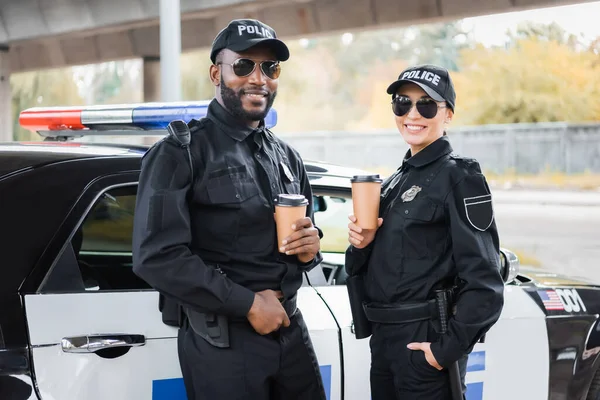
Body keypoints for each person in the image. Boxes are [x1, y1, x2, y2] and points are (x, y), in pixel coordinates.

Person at [132, 19, 327, 400]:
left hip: (291, 329)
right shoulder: (179, 154)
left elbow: (306, 242)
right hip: (223, 341)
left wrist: (310, 247)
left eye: (270, 68)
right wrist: (248, 303)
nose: (259, 79)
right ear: (215, 73)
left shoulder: (287, 156)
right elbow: (157, 256)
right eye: (243, 66)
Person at [345, 64, 505, 400]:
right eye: (403, 103)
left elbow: (486, 282)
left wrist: (445, 351)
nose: (412, 114)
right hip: (385, 344)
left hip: (425, 344)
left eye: (427, 105)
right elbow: (363, 268)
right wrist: (360, 244)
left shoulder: (460, 177)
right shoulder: (391, 183)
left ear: (448, 115)